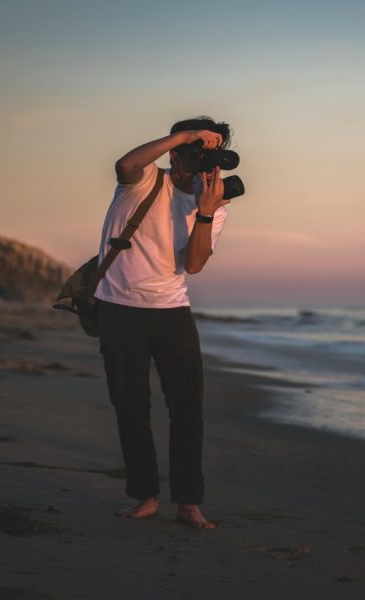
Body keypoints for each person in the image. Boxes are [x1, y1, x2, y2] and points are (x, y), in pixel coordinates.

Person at [93, 116, 233, 528]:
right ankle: (145, 496)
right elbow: (123, 164)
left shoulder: (212, 203)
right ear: (177, 152)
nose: (206, 165)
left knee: (188, 410)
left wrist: (205, 214)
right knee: (131, 406)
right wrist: (186, 136)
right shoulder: (144, 179)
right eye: (197, 153)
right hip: (118, 308)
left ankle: (189, 502)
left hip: (172, 312)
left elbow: (192, 265)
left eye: (213, 155)